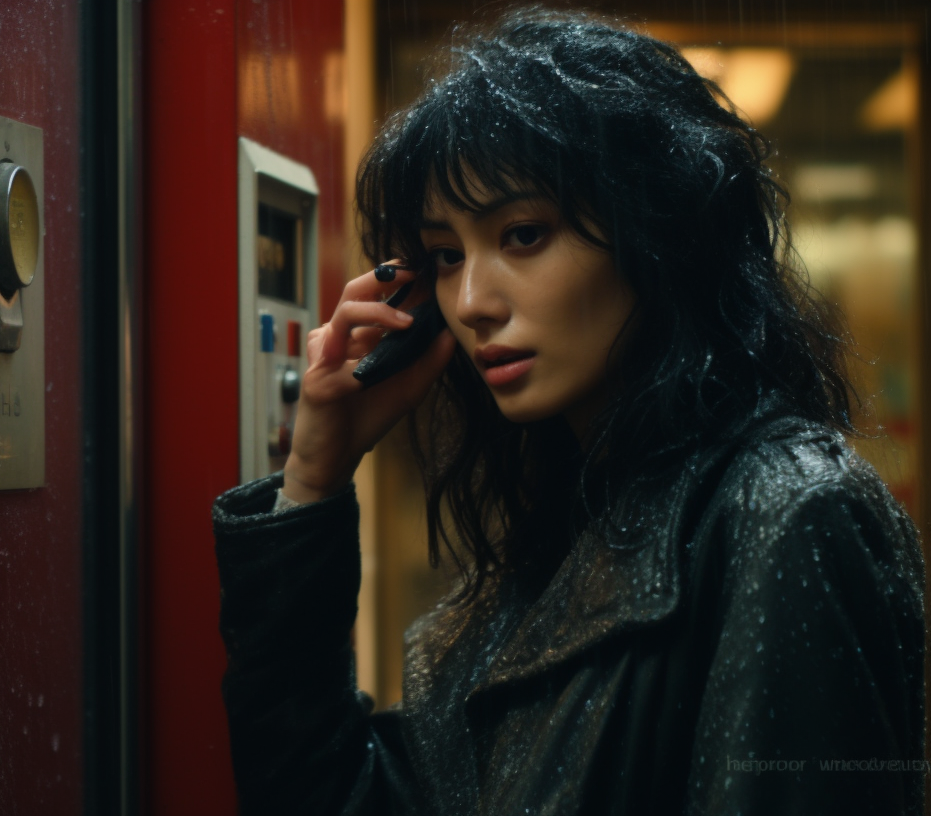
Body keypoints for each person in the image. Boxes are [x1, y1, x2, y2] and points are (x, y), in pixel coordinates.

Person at [211, 6, 927, 815]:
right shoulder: (563, 535)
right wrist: (312, 478)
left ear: (657, 235)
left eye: (522, 234)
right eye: (446, 256)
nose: (472, 301)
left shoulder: (787, 511)